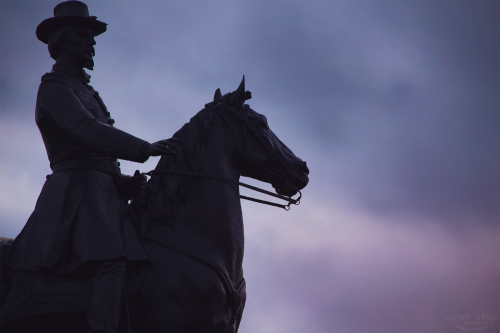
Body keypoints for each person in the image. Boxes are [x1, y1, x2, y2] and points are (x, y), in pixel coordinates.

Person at [5, 1, 176, 332]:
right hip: (77, 193)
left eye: (92, 37)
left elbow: (96, 154)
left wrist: (124, 182)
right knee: (111, 262)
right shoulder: (55, 87)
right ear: (64, 39)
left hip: (102, 192)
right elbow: (86, 130)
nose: (92, 43)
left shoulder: (85, 89)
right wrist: (144, 148)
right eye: (84, 35)